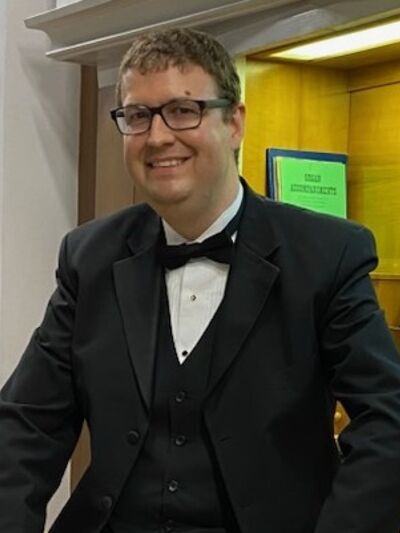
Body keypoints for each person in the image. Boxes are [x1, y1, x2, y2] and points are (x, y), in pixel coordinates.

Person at [1, 27, 400, 533]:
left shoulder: (329, 254)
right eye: (138, 116)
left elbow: (389, 422)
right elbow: (26, 423)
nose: (158, 136)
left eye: (184, 110)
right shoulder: (89, 256)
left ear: (235, 122)